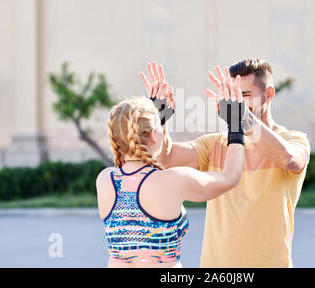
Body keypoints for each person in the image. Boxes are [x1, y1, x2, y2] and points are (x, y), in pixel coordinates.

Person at [142, 59, 311, 268]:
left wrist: (242, 118)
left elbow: (289, 159)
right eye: (232, 96)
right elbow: (165, 158)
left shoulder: (293, 140)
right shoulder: (215, 144)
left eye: (245, 96)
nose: (236, 102)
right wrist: (159, 120)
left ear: (268, 94)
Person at [95, 66, 246, 268]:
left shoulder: (105, 180)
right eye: (159, 126)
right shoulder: (174, 180)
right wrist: (235, 124)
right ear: (151, 135)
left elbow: (141, 174)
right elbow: (231, 177)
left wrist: (159, 120)